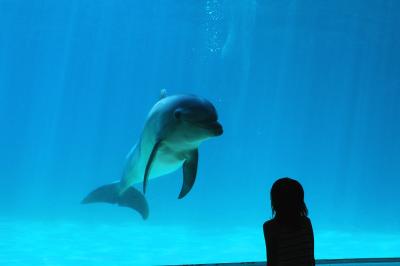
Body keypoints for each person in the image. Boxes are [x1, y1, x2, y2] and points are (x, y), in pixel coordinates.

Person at [263, 177, 315, 266]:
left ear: (275, 201)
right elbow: (311, 259)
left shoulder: (270, 227)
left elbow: (272, 261)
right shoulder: (306, 222)